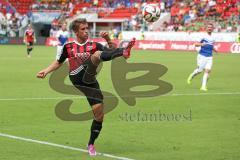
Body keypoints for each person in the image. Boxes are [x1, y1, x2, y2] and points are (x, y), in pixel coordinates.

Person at [36, 18, 135, 156]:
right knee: (96, 55)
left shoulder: (94, 44)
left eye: (87, 28)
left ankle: (91, 144)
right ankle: (124, 51)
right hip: (76, 76)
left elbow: (111, 51)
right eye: (83, 29)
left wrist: (107, 39)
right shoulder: (69, 46)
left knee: (99, 115)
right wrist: (46, 71)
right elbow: (59, 62)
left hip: (90, 81)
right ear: (76, 32)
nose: (86, 31)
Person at [187, 23, 217, 91]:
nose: (209, 28)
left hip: (210, 57)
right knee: (199, 71)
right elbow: (196, 44)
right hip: (202, 56)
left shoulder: (213, 37)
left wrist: (215, 50)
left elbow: (211, 45)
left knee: (207, 71)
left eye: (211, 27)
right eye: (208, 27)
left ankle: (203, 87)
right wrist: (202, 44)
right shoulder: (203, 36)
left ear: (212, 29)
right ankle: (192, 75)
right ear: (206, 28)